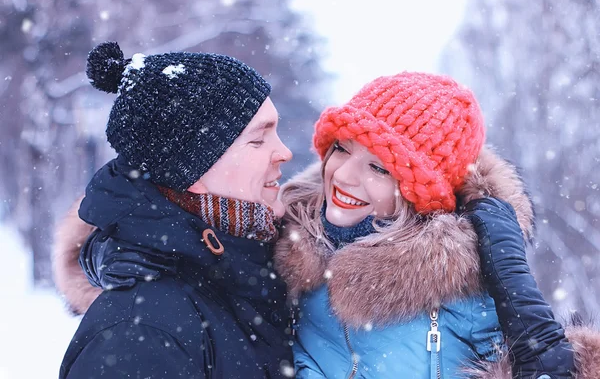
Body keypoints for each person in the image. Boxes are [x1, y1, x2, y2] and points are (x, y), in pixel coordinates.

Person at [274, 72, 600, 378]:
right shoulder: (279, 245)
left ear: (420, 194)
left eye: (379, 167)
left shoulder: (467, 292)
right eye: (342, 148)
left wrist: (541, 343)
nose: (343, 175)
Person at [56, 41, 294, 378]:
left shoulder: (249, 276)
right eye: (258, 140)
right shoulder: (138, 337)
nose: (284, 152)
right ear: (193, 171)